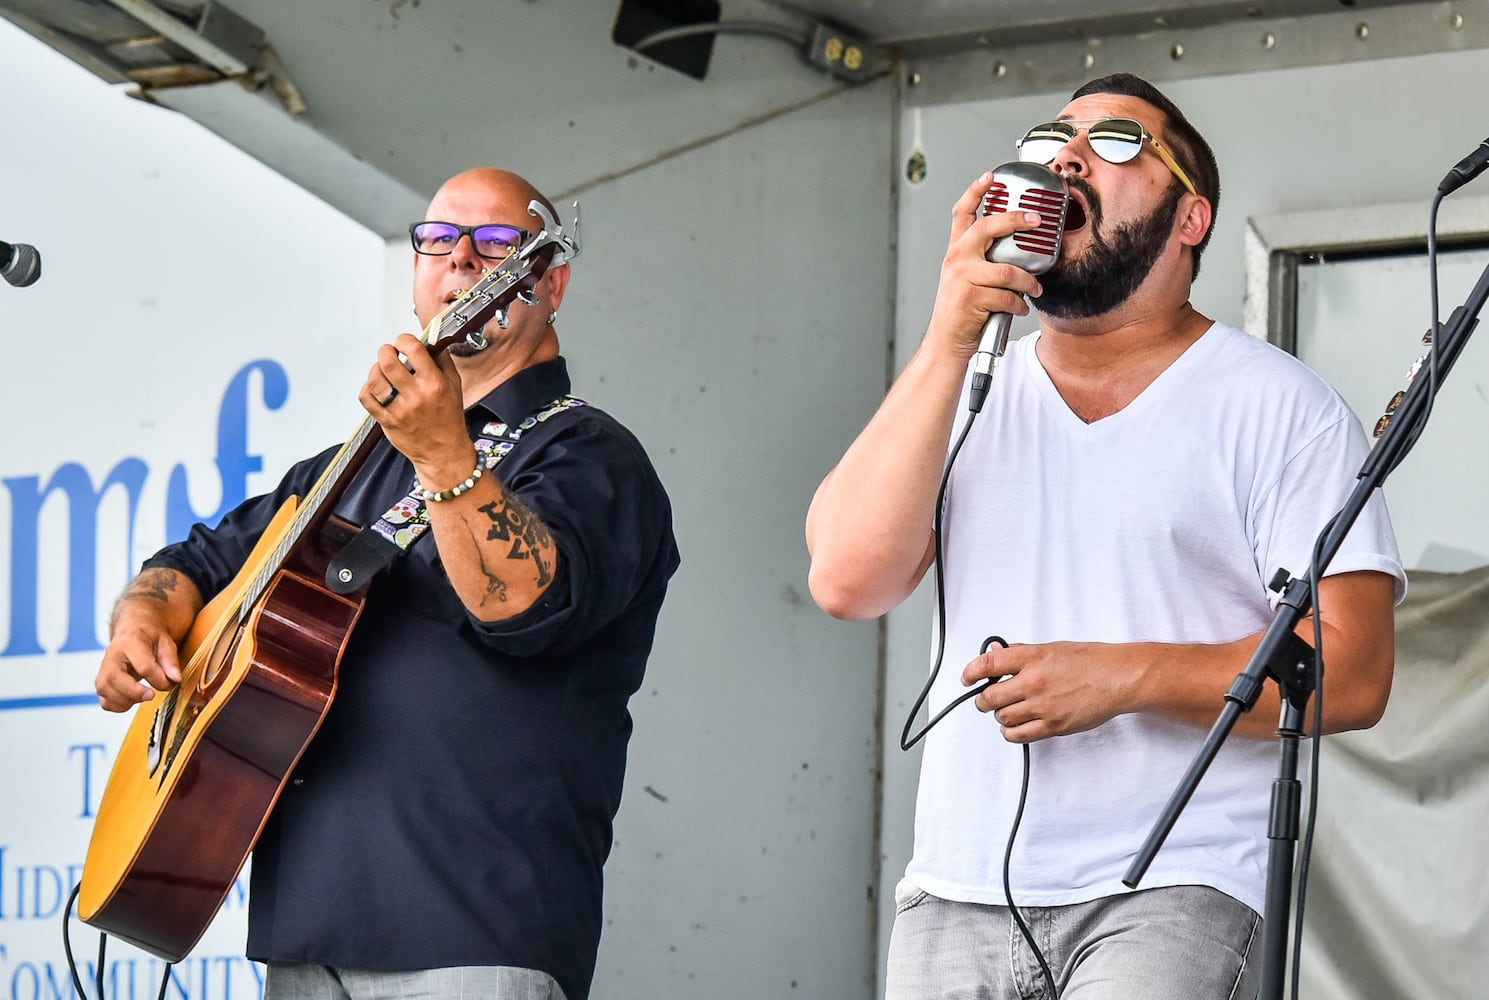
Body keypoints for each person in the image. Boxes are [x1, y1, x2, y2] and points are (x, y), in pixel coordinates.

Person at [805, 74, 1404, 998]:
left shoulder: (1278, 407)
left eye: (1118, 141)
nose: (1069, 155)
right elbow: (846, 581)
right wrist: (946, 336)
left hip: (1175, 882)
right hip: (953, 889)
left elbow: (1354, 671)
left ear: (1190, 218)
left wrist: (1126, 676)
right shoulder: (964, 385)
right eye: (1052, 138)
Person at [95, 168, 680, 1000]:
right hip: (305, 933)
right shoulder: (346, 467)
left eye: (499, 243)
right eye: (437, 240)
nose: (464, 259)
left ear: (550, 281)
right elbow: (192, 565)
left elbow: (521, 607)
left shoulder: (588, 454)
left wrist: (446, 454)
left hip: (470, 927)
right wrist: (141, 622)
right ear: (416, 274)